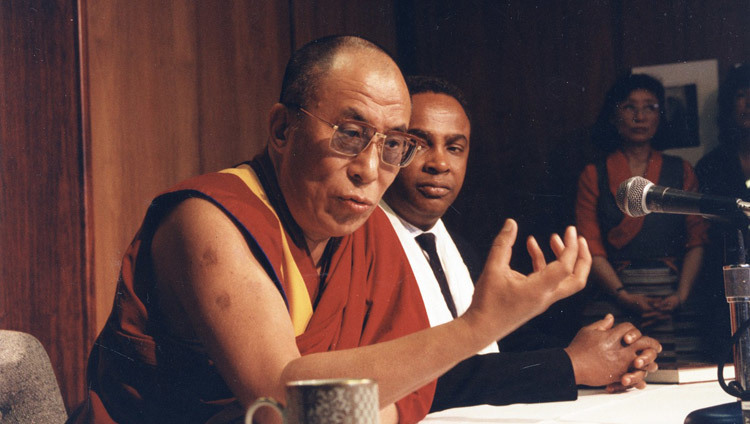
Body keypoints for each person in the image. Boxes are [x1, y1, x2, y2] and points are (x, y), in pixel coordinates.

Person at [68, 36, 591, 424]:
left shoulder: (367, 235)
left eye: (392, 144)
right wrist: (477, 327)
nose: (371, 168)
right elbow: (281, 397)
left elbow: (406, 391)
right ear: (282, 129)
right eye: (351, 134)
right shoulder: (209, 219)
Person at [381, 75, 661, 412]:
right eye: (421, 143)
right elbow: (413, 379)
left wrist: (611, 353)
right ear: (391, 146)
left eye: (454, 147)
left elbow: (502, 345)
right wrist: (571, 365)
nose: (440, 164)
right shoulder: (363, 244)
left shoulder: (455, 245)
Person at [575, 73, 707, 363]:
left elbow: (697, 240)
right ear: (614, 116)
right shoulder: (593, 174)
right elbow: (590, 246)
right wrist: (623, 297)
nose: (640, 116)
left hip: (673, 292)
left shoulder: (681, 169)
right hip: (615, 291)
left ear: (660, 116)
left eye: (650, 107)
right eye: (630, 107)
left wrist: (681, 296)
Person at [695, 63, 750, 362]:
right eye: (742, 95)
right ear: (730, 105)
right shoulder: (711, 164)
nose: (749, 103)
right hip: (724, 288)